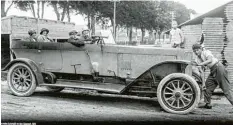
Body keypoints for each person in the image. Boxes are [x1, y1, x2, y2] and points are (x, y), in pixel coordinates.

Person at [191, 43, 233, 109]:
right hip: (212, 71)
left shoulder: (206, 52)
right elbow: (202, 72)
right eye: (194, 51)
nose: (196, 52)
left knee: (226, 89)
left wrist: (200, 64)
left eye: (197, 50)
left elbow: (210, 60)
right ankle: (207, 104)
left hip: (219, 68)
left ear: (201, 49)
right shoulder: (197, 59)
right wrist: (203, 83)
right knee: (207, 86)